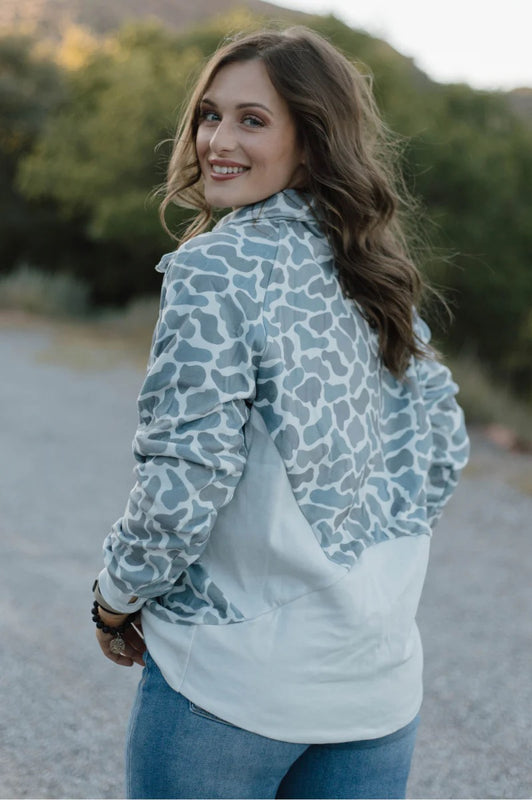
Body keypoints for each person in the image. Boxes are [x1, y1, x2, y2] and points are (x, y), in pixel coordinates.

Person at [93, 26, 470, 800]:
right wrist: (357, 581)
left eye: (252, 120)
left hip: (231, 685)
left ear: (312, 141)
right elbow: (440, 457)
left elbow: (185, 479)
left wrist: (114, 599)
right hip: (374, 684)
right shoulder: (373, 271)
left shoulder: (214, 265)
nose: (216, 140)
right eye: (209, 114)